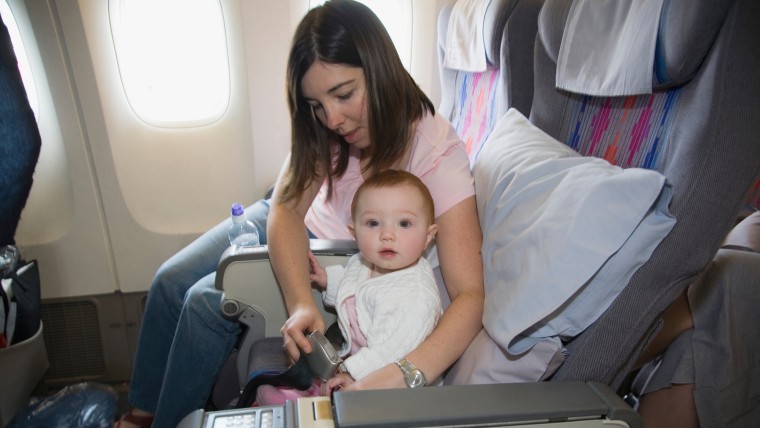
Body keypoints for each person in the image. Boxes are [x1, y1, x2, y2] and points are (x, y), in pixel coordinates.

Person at [116, 1, 484, 427]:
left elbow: (471, 296)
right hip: (286, 219)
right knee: (168, 281)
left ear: (381, 71)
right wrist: (299, 302)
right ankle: (141, 414)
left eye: (344, 95)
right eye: (316, 105)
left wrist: (407, 373)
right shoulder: (327, 127)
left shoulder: (436, 153)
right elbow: (285, 209)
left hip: (334, 255)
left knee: (204, 303)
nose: (332, 119)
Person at [257, 170, 442, 405]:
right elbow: (354, 287)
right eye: (373, 223)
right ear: (354, 233)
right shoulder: (367, 262)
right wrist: (327, 280)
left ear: (428, 236)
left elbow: (389, 352)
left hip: (393, 384)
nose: (387, 235)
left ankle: (309, 401)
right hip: (360, 356)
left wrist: (351, 373)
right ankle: (307, 393)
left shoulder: (415, 297)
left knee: (341, 393)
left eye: (404, 223)